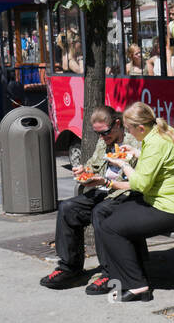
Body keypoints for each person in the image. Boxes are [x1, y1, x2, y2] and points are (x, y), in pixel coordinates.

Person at [92, 102, 174, 301]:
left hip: (173, 210)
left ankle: (137, 285)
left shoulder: (155, 142)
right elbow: (165, 159)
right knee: (111, 215)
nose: (128, 132)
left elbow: (140, 184)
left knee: (110, 226)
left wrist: (123, 163)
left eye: (130, 128)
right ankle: (131, 275)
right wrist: (136, 152)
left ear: (140, 128)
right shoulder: (165, 131)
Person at [40, 107, 140, 290]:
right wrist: (84, 171)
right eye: (98, 133)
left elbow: (140, 178)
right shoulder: (103, 142)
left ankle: (111, 273)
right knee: (68, 208)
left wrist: (106, 181)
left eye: (105, 132)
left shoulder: (133, 141)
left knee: (100, 212)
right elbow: (93, 165)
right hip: (103, 189)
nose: (102, 137)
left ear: (117, 124)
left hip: (124, 192)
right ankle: (70, 268)